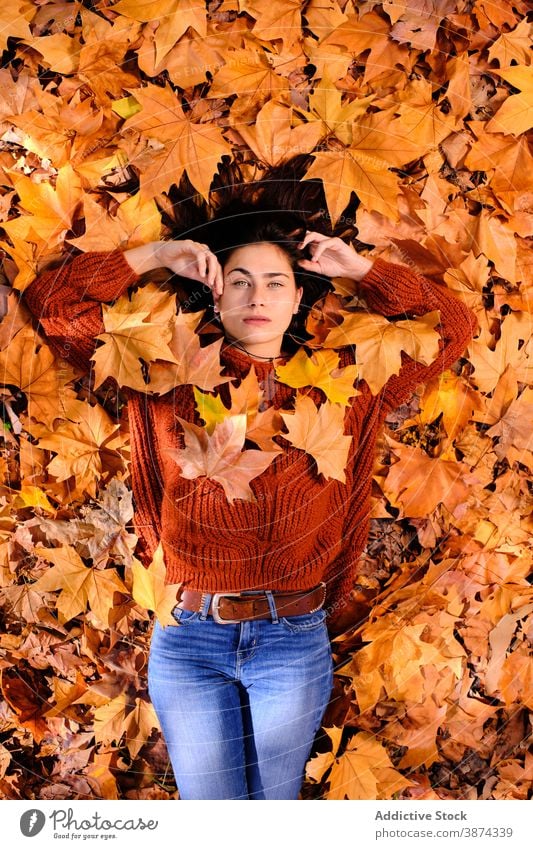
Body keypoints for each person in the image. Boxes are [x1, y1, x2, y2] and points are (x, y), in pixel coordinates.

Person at [21, 165, 475, 800]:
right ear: (214, 294)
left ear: (296, 297)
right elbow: (54, 306)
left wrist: (360, 271)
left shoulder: (346, 383)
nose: (257, 298)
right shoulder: (165, 371)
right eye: (239, 282)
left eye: (274, 283)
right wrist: (155, 256)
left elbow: (453, 327)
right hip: (189, 637)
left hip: (292, 638)